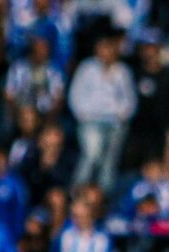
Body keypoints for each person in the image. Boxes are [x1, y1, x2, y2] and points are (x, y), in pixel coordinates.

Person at [68, 28, 136, 192]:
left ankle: (104, 195)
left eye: (109, 47)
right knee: (92, 154)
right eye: (102, 47)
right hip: (90, 121)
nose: (106, 52)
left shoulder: (123, 72)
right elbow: (74, 96)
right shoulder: (87, 68)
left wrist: (121, 115)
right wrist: (85, 116)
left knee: (109, 161)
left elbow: (130, 101)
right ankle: (77, 189)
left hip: (114, 122)